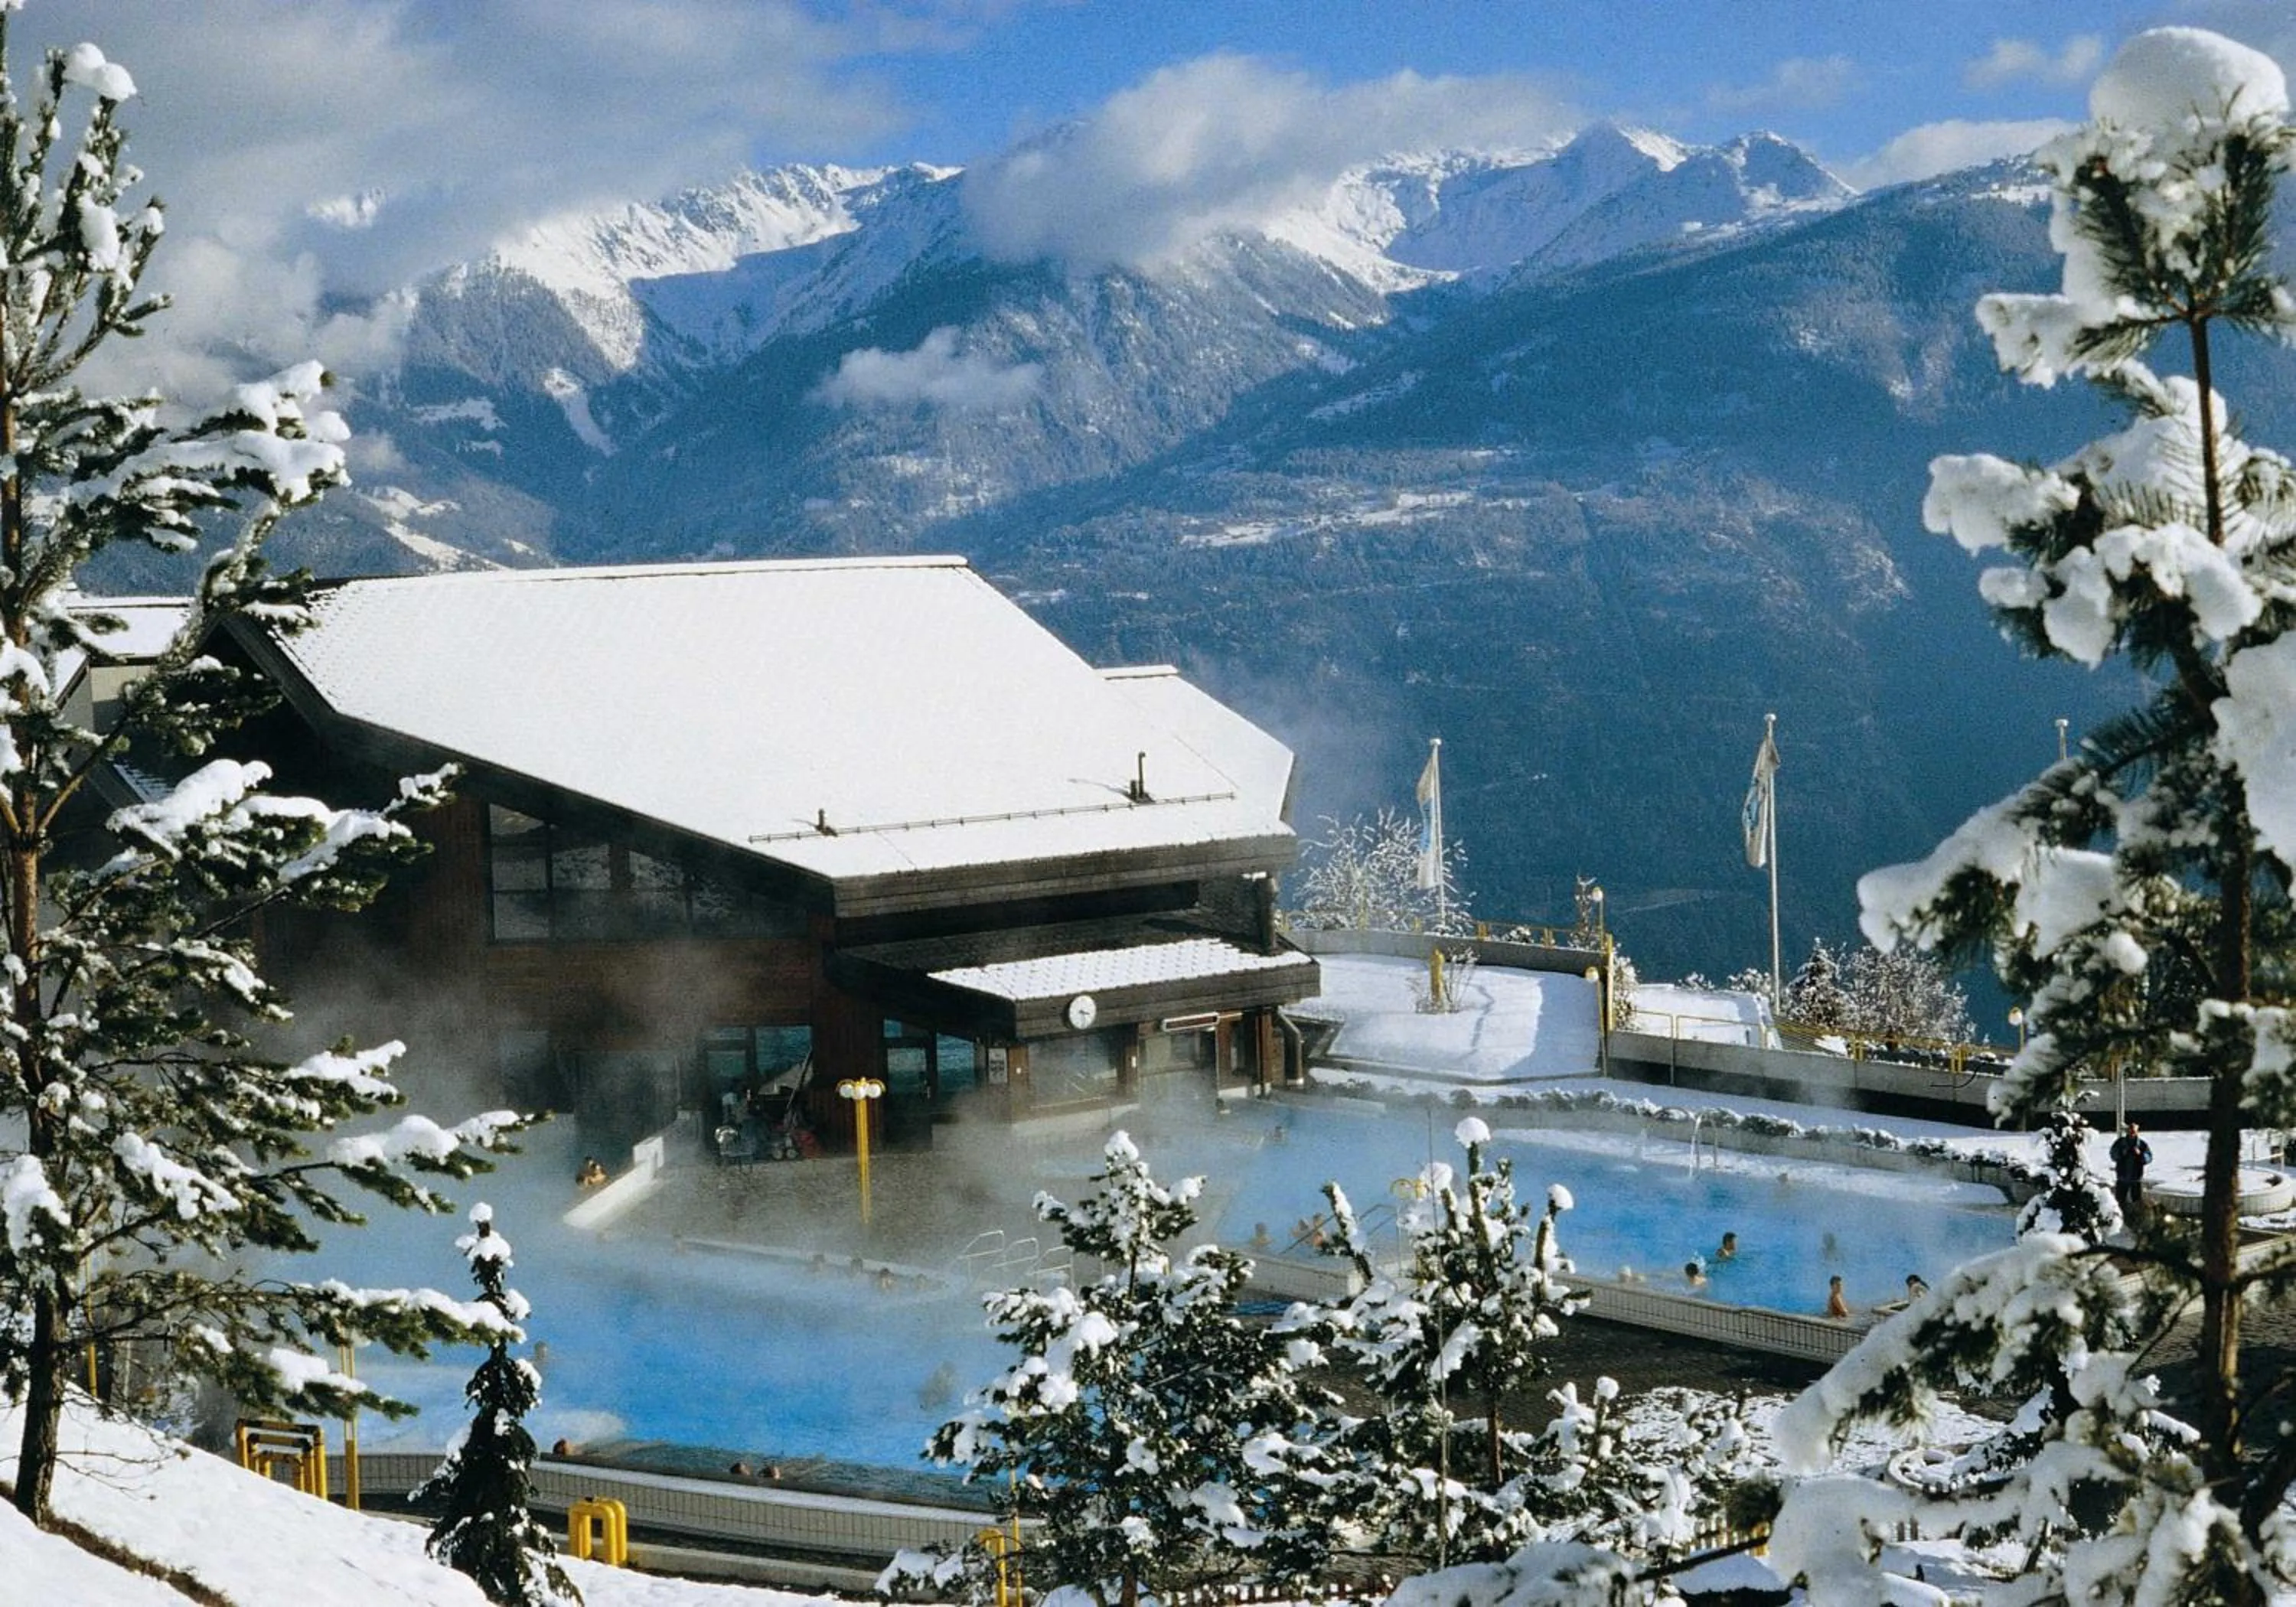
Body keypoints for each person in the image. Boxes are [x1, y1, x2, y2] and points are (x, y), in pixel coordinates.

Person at [2111, 1120, 2153, 1221]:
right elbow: (2113, 1155)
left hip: (2136, 1178)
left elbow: (2149, 1157)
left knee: (2136, 1202)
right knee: (2120, 1201)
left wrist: (2141, 1155)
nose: (2132, 1133)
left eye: (2134, 1131)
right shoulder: (2120, 1143)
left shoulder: (2142, 1144)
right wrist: (2122, 1153)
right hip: (2122, 1177)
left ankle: (2135, 1220)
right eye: (2130, 1131)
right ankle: (2120, 1219)